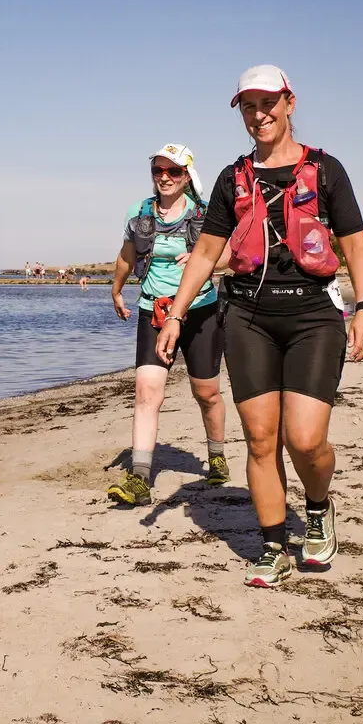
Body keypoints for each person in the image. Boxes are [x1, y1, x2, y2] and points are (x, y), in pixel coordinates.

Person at [157, 65, 363, 589]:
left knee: (304, 440)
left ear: (289, 102)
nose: (259, 115)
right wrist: (178, 316)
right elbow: (208, 250)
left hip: (312, 317)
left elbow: (355, 241)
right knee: (260, 439)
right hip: (249, 318)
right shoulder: (234, 179)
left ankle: (319, 508)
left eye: (267, 103)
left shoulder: (326, 170)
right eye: (248, 107)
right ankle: (273, 544)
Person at [106, 144, 227, 506]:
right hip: (153, 310)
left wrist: (205, 259)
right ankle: (140, 478)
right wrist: (116, 291)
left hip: (200, 309)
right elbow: (127, 256)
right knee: (146, 391)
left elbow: (232, 256)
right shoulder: (140, 213)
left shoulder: (206, 213)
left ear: (187, 175)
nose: (165, 177)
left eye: (174, 171)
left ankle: (217, 455)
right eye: (159, 170)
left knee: (206, 393)